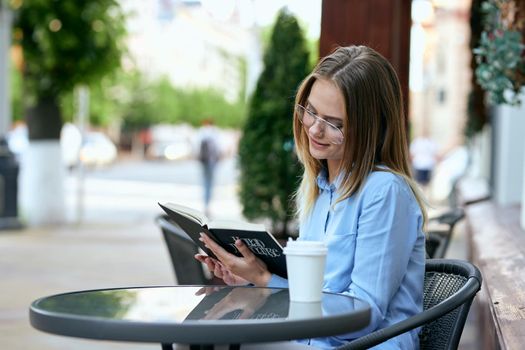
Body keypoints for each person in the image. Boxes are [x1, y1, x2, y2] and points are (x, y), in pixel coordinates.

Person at [195, 46, 427, 349]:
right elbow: (313, 295)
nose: (315, 129)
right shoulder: (319, 189)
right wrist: (250, 277)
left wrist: (266, 282)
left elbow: (364, 314)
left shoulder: (384, 192)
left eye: (334, 124)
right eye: (311, 112)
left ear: (370, 127)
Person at [197, 119, 220, 217]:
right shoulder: (214, 132)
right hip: (211, 161)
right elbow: (220, 147)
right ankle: (207, 203)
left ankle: (206, 203)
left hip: (204, 161)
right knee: (209, 183)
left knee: (206, 182)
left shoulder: (202, 132)